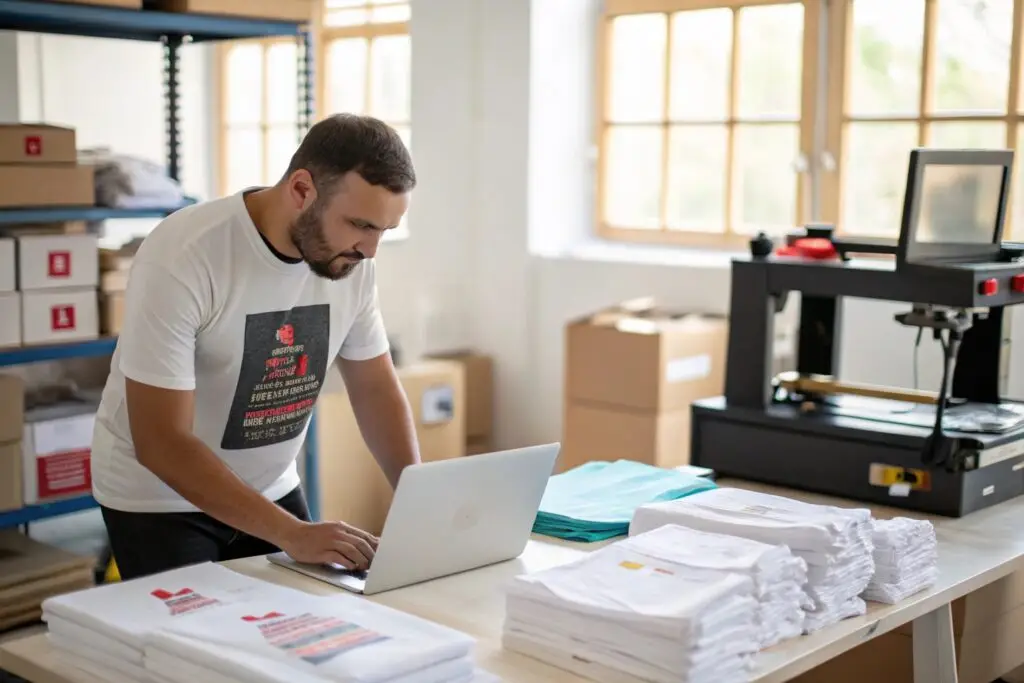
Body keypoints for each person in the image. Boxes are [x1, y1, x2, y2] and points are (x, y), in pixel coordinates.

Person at [90, 114, 421, 580]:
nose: (370, 250)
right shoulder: (185, 255)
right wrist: (293, 533)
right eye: (360, 224)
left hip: (270, 487)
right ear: (302, 189)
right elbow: (161, 441)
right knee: (196, 649)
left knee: (306, 633)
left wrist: (420, 496)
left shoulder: (352, 263)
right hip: (161, 499)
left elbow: (374, 388)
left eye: (384, 230)